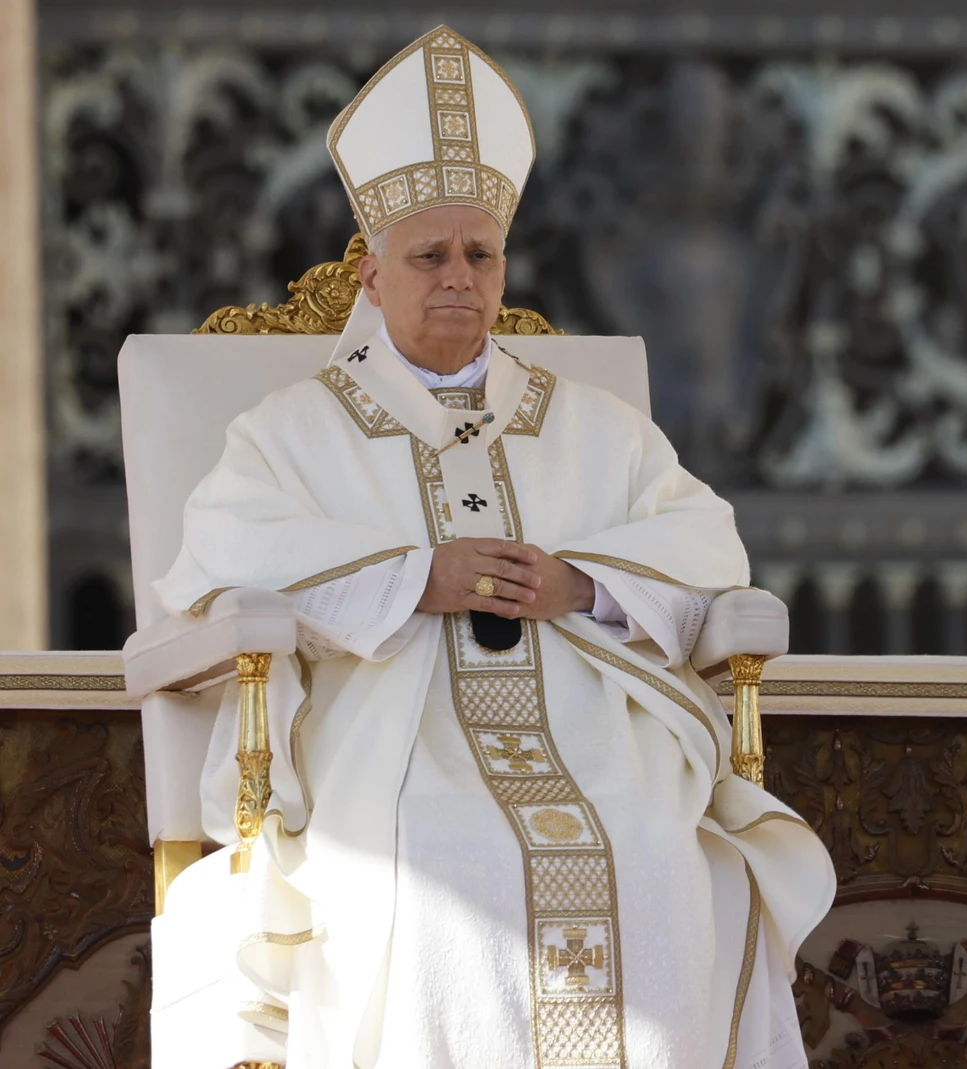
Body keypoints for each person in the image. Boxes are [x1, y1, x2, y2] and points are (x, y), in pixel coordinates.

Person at [149, 26, 832, 1069]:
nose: (461, 279)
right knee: (437, 861)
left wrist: (583, 580)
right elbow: (225, 552)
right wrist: (413, 576)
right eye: (431, 257)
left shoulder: (591, 422)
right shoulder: (290, 430)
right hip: (392, 737)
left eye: (481, 254)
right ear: (373, 275)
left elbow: (702, 541)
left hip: (589, 735)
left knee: (658, 849)